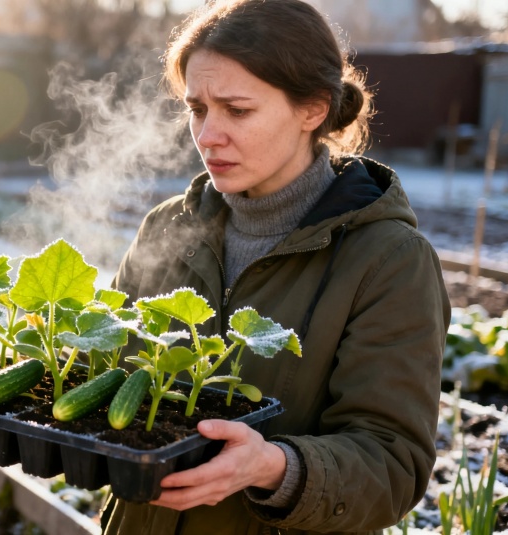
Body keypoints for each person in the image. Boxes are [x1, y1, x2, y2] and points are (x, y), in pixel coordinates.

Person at [102, 0, 451, 533]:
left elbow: (393, 464)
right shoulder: (167, 228)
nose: (207, 135)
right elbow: (104, 372)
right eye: (197, 108)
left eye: (237, 110)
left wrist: (274, 467)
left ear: (312, 110)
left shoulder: (388, 261)